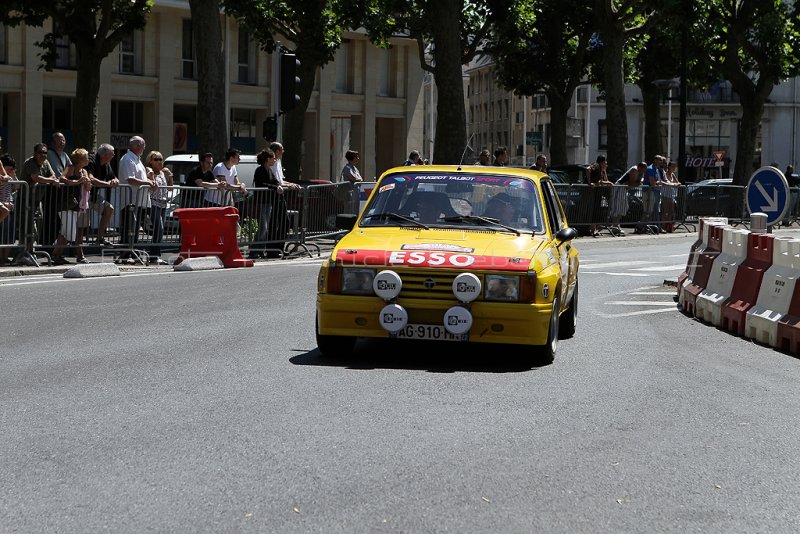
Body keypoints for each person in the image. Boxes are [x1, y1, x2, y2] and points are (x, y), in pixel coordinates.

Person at [21, 143, 72, 263]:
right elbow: (36, 178)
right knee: (29, 227)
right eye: (40, 152)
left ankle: (31, 251)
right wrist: (49, 180)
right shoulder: (30, 162)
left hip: (38, 200)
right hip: (26, 199)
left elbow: (53, 175)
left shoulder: (46, 162)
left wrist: (49, 180)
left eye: (44, 153)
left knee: (38, 225)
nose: (42, 155)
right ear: (34, 153)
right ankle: (24, 252)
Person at [117, 136, 155, 262]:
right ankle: (125, 254)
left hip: (139, 201)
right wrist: (148, 182)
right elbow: (131, 179)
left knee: (135, 230)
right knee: (128, 229)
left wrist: (150, 184)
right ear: (137, 146)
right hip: (130, 200)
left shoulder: (137, 160)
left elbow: (140, 179)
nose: (144, 148)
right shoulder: (128, 159)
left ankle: (131, 253)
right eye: (143, 145)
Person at [268, 142, 300, 256]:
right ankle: (272, 249)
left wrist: (290, 184)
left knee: (284, 222)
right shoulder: (269, 163)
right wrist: (286, 185)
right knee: (273, 223)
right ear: (276, 151)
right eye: (282, 149)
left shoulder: (278, 162)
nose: (283, 152)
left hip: (280, 194)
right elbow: (274, 182)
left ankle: (279, 247)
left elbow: (281, 181)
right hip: (273, 195)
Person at [249, 148, 280, 259]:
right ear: (268, 159)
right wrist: (275, 187)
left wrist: (278, 186)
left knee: (265, 228)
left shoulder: (269, 170)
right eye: (273, 158)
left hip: (268, 201)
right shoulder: (260, 170)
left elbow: (275, 181)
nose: (275, 160)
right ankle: (254, 251)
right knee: (262, 228)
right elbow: (262, 183)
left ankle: (260, 250)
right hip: (262, 201)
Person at [85, 143, 118, 246]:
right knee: (82, 223)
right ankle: (76, 246)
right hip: (83, 195)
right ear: (105, 154)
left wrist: (115, 181)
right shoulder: (92, 159)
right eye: (112, 154)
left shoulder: (106, 164)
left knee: (109, 209)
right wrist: (107, 184)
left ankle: (100, 238)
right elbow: (91, 178)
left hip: (93, 196)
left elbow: (113, 177)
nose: (113, 156)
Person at [64, 148, 93, 263]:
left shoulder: (84, 171)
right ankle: (57, 253)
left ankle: (80, 254)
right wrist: (77, 181)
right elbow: (62, 178)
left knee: (80, 230)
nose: (88, 159)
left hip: (83, 203)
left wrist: (87, 183)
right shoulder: (71, 168)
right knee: (68, 231)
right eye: (86, 157)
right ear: (80, 159)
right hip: (71, 203)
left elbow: (88, 188)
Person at [145, 150, 172, 265]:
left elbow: (170, 188)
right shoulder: (149, 171)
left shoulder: (163, 173)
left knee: (160, 230)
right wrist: (151, 174)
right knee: (159, 228)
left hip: (163, 204)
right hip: (153, 203)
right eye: (156, 159)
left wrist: (170, 176)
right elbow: (152, 187)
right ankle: (154, 255)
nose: (159, 162)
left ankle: (155, 254)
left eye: (161, 159)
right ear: (151, 161)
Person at [610, 162, 647, 236]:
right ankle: (615, 226)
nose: (645, 171)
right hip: (619, 187)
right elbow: (631, 183)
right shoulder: (634, 169)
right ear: (640, 167)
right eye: (644, 169)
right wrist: (638, 183)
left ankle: (616, 225)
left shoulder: (639, 172)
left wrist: (638, 182)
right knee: (618, 208)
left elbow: (635, 183)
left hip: (624, 189)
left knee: (624, 207)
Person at [584, 155, 613, 237]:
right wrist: (590, 182)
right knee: (592, 210)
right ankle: (591, 229)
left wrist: (604, 171)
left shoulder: (601, 169)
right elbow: (587, 169)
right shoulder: (596, 166)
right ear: (602, 162)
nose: (606, 163)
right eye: (605, 162)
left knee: (595, 210)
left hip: (597, 192)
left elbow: (604, 181)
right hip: (591, 192)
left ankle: (594, 229)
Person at [0, 154, 19, 265]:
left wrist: (13, 175)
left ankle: (5, 257)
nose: (11, 169)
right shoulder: (2, 178)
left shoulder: (9, 177)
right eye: (9, 167)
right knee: (2, 233)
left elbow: (17, 186)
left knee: (8, 235)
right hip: (2, 207)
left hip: (10, 207)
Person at [641, 155, 666, 233]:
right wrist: (658, 182)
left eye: (662, 160)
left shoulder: (657, 169)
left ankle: (654, 227)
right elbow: (652, 183)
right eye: (660, 160)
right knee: (649, 210)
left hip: (655, 191)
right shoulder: (650, 169)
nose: (661, 162)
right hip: (650, 192)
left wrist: (658, 182)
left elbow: (657, 181)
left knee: (654, 210)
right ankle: (643, 226)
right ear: (655, 160)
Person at [660, 160, 681, 232]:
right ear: (669, 166)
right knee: (665, 212)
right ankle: (662, 226)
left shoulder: (673, 175)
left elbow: (678, 183)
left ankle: (668, 226)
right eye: (673, 166)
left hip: (672, 196)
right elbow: (666, 182)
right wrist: (675, 185)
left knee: (671, 212)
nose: (674, 168)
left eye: (675, 167)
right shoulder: (665, 174)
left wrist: (677, 184)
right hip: (665, 195)